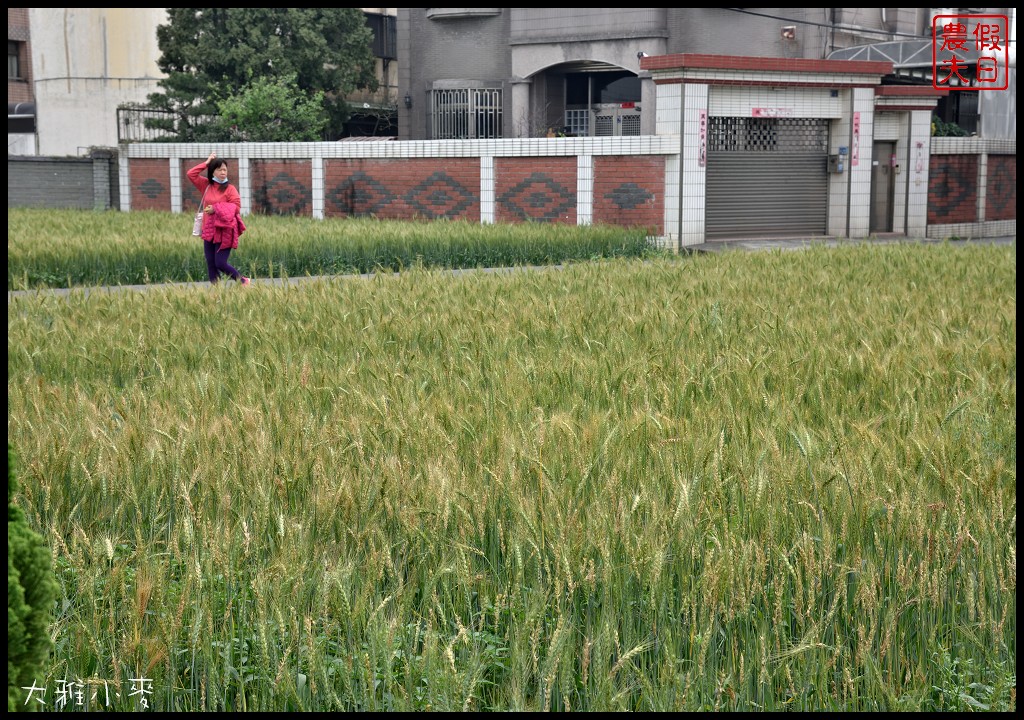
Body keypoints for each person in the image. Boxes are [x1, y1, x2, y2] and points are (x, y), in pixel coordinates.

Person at [186, 151, 250, 285]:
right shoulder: (206, 185)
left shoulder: (230, 189)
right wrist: (206, 162)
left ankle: (243, 281)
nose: (223, 172)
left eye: (225, 169)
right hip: (208, 230)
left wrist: (216, 208)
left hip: (224, 230)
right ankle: (217, 292)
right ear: (212, 171)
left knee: (220, 263)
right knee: (211, 263)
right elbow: (191, 174)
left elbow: (236, 208)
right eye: (219, 169)